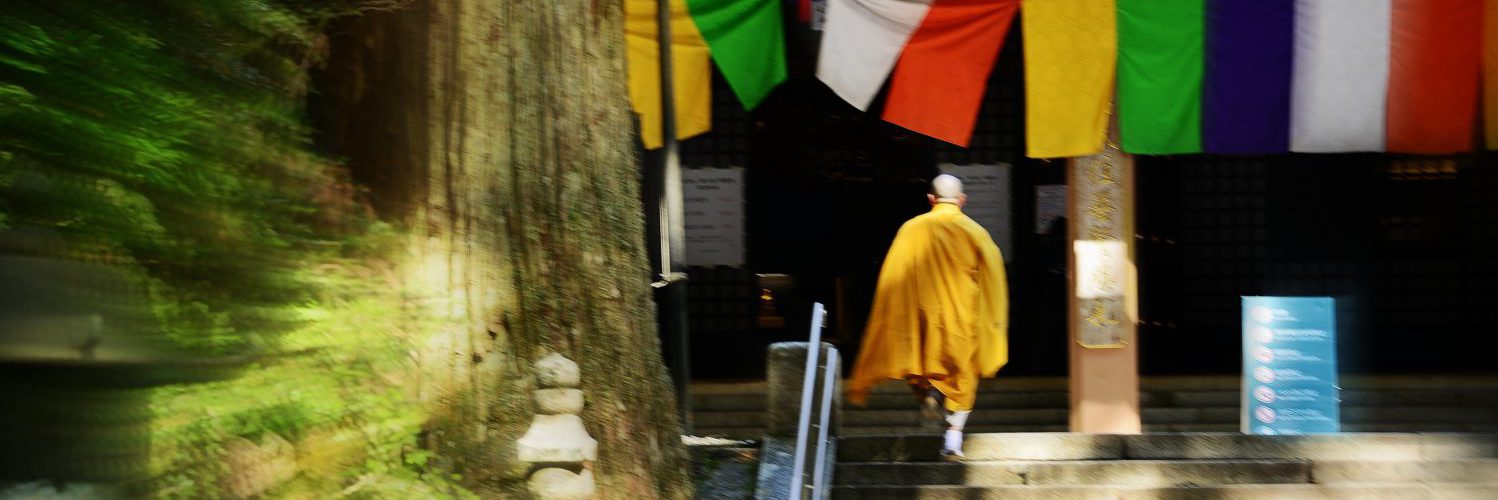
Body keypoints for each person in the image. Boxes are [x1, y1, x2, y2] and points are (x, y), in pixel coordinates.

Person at [847, 174, 1009, 458]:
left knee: (922, 366)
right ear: (962, 200)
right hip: (961, 318)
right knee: (962, 375)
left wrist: (895, 315)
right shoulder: (974, 231)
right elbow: (993, 278)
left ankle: (931, 394)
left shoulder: (911, 229)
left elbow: (893, 276)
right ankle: (953, 436)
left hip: (921, 317)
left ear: (931, 200)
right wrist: (992, 320)